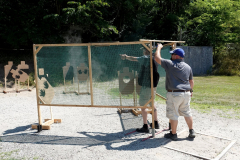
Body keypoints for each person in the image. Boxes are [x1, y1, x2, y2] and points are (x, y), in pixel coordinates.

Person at [154, 43, 195, 141]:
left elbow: (157, 58)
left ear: (176, 56)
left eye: (172, 54)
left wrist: (159, 47)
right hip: (186, 93)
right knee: (187, 112)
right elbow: (191, 81)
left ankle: (173, 134)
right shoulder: (188, 66)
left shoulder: (170, 64)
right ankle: (191, 131)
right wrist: (191, 90)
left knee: (173, 114)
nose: (171, 56)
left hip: (174, 93)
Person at [120, 48, 160, 133]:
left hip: (147, 86)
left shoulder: (146, 58)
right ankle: (155, 123)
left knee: (143, 106)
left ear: (147, 51)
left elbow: (134, 58)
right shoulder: (155, 58)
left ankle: (145, 126)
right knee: (152, 103)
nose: (143, 52)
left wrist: (126, 57)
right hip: (153, 86)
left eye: (144, 50)